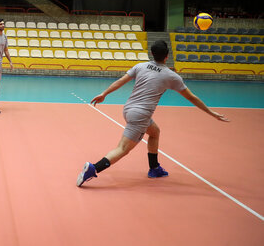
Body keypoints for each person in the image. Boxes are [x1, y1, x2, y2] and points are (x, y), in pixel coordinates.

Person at [76, 40, 229, 187]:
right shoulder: (171, 76)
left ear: (151, 53)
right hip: (141, 115)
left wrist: (104, 93)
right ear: (167, 56)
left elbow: (121, 81)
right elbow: (191, 97)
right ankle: (93, 168)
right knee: (122, 149)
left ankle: (154, 168)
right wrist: (210, 112)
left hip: (128, 109)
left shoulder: (141, 66)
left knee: (154, 132)